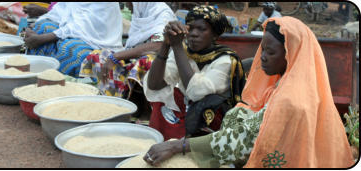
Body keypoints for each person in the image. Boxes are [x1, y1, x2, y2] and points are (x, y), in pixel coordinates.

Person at [143, 16, 355, 168]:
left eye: (270, 52)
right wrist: (168, 46)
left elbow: (244, 140)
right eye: (263, 49)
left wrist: (179, 146)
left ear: (292, 56)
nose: (262, 57)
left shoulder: (291, 100)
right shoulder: (281, 87)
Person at [144, 5, 245, 141]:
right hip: (189, 109)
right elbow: (154, 84)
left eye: (202, 29)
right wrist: (166, 44)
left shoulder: (225, 60)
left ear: (214, 34)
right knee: (163, 97)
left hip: (212, 118)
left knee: (201, 104)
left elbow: (196, 92)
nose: (194, 34)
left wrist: (178, 47)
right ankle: (163, 140)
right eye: (190, 28)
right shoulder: (184, 51)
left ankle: (183, 142)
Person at [78, 2, 175, 100]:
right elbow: (132, 47)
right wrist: (116, 56)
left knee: (146, 61)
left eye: (129, 2)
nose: (127, 6)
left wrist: (116, 56)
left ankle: (137, 100)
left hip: (159, 66)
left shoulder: (162, 13)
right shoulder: (141, 14)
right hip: (133, 60)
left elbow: (158, 45)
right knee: (99, 55)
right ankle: (111, 96)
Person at [24, 2, 123, 77]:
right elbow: (62, 11)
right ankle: (36, 76)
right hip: (73, 30)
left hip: (96, 41)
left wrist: (43, 38)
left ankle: (56, 84)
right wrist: (35, 26)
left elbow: (82, 26)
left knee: (68, 50)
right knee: (43, 27)